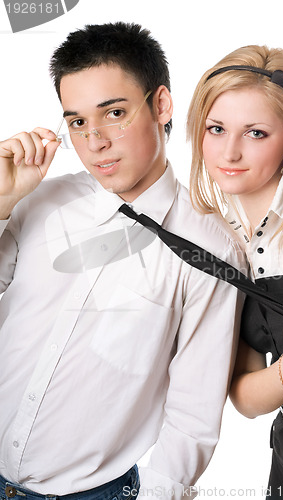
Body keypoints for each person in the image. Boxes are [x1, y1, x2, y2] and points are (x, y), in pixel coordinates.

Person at [0, 22, 246, 500]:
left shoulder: (209, 249)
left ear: (161, 106)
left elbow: (193, 412)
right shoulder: (40, 200)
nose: (94, 141)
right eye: (76, 122)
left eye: (113, 113)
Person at [187, 45, 283, 499]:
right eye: (216, 129)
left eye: (255, 132)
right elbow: (245, 397)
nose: (229, 151)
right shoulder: (221, 243)